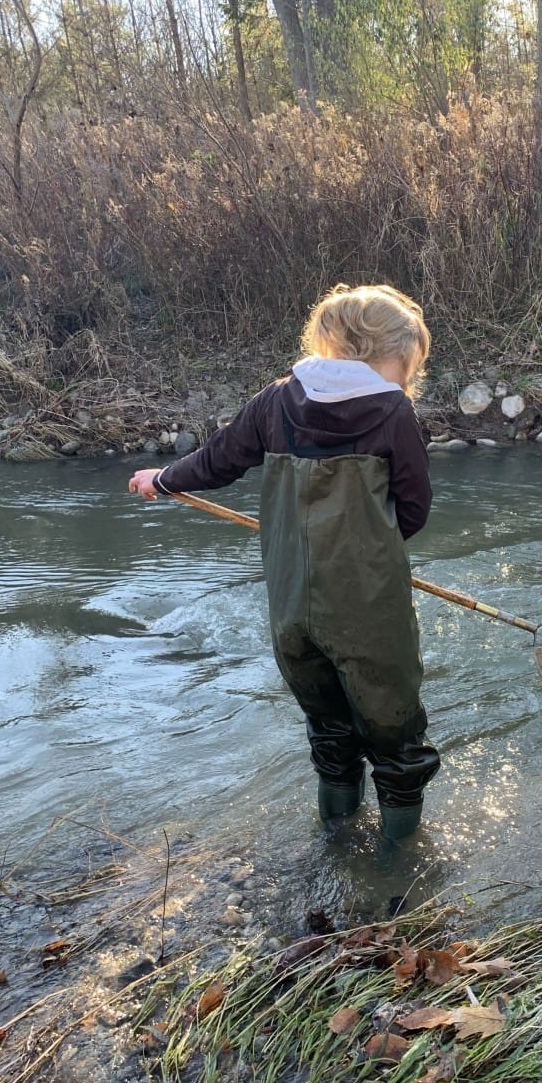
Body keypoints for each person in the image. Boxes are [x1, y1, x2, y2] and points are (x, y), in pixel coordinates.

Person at [128, 283, 440, 839]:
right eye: (405, 364)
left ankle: (336, 847)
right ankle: (399, 880)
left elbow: (217, 461)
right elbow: (413, 509)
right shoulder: (393, 412)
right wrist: (374, 550)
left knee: (330, 734)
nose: (405, 378)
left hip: (291, 610)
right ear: (384, 354)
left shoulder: (276, 400)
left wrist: (163, 480)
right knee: (396, 746)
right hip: (367, 609)